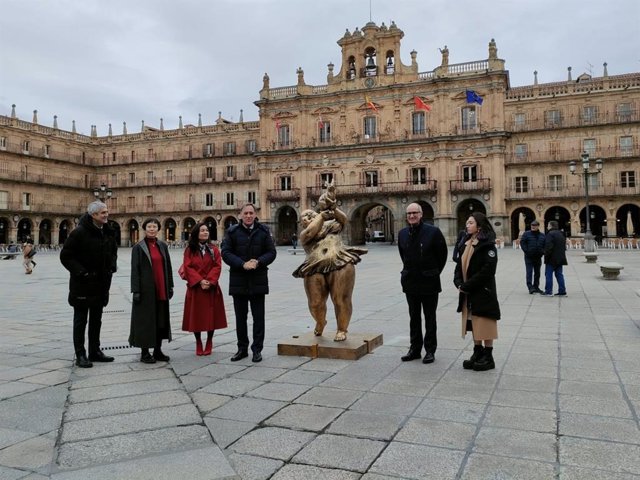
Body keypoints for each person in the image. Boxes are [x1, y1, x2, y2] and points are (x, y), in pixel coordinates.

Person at [292, 184, 367, 341]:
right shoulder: (305, 235)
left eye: (310, 214)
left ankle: (342, 329)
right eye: (303, 217)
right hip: (314, 267)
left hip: (340, 262)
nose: (307, 217)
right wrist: (321, 214)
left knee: (341, 299)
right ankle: (320, 322)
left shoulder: (332, 226)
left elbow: (344, 220)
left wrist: (333, 207)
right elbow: (312, 231)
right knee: (315, 303)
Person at [60, 201, 118, 368]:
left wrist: (111, 266)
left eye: (106, 212)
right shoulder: (79, 232)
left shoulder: (107, 231)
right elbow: (66, 256)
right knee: (80, 320)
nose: (106, 215)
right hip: (83, 284)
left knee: (96, 319)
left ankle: (95, 351)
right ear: (93, 215)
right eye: (103, 213)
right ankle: (80, 354)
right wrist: (82, 272)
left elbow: (113, 251)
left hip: (101, 283)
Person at [221, 203, 276, 363]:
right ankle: (242, 349)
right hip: (239, 280)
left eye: (251, 213)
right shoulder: (232, 232)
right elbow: (225, 252)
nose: (248, 215)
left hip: (258, 279)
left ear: (255, 214)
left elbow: (272, 252)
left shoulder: (264, 231)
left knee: (259, 317)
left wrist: (258, 262)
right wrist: (242, 264)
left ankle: (257, 350)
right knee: (240, 317)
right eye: (245, 213)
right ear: (240, 215)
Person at [397, 203, 448, 364]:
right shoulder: (402, 234)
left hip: (429, 282)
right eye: (409, 213)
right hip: (410, 281)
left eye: (415, 213)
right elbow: (403, 255)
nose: (412, 216)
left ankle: (430, 350)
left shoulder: (433, 232)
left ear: (421, 214)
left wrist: (432, 272)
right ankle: (415, 349)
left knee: (430, 317)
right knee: (414, 317)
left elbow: (442, 256)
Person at [453, 212, 501, 371]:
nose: (467, 225)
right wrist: (458, 281)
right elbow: (459, 265)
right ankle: (477, 352)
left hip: (482, 291)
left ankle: (488, 356)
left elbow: (488, 271)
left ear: (479, 226)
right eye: (467, 222)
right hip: (468, 291)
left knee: (484, 322)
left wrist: (468, 286)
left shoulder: (487, 245)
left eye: (470, 222)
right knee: (472, 322)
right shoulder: (466, 243)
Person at [129, 218, 174, 364]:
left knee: (161, 319)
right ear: (144, 228)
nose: (152, 229)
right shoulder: (138, 247)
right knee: (145, 321)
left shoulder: (162, 245)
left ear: (158, 229)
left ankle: (158, 350)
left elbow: (168, 267)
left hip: (161, 287)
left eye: (155, 226)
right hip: (146, 290)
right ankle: (144, 352)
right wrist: (136, 290)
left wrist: (170, 285)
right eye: (149, 226)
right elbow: (134, 270)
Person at [181, 223, 227, 355]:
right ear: (196, 233)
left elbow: (217, 266)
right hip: (196, 287)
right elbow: (187, 266)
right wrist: (200, 281)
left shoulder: (214, 249)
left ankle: (209, 341)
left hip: (210, 287)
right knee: (196, 316)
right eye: (202, 230)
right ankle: (198, 341)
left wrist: (210, 281)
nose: (205, 232)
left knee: (210, 316)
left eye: (207, 230)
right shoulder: (189, 250)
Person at [519, 220, 545, 294]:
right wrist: (527, 251)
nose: (533, 226)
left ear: (538, 226)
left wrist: (542, 252)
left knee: (537, 273)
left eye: (535, 225)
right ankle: (530, 287)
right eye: (532, 225)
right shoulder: (526, 234)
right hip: (529, 257)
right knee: (529, 272)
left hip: (538, 257)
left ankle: (536, 287)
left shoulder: (542, 235)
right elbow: (522, 243)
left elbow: (545, 245)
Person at [543, 220, 568, 296]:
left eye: (548, 225)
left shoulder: (550, 234)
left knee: (548, 274)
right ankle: (562, 291)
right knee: (559, 274)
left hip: (551, 258)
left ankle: (548, 291)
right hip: (561, 258)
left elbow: (548, 247)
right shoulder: (561, 234)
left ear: (551, 226)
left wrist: (545, 256)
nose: (547, 226)